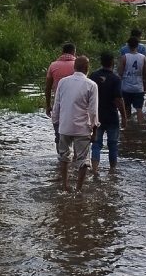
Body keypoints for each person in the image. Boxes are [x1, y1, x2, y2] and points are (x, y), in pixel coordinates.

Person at [51, 55, 98, 192]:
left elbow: (57, 105)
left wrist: (56, 123)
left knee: (64, 157)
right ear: (87, 68)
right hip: (82, 128)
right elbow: (93, 111)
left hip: (64, 126)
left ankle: (65, 185)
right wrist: (94, 130)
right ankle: (78, 190)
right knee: (83, 160)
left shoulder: (63, 82)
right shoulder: (91, 85)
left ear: (74, 67)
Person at [90, 51, 127, 174]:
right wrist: (124, 117)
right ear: (112, 63)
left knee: (96, 144)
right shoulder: (116, 79)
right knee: (113, 144)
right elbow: (118, 100)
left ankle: (94, 169)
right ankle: (112, 170)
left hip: (96, 116)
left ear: (101, 62)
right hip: (111, 116)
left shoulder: (93, 76)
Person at [45, 43, 78, 146]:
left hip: (59, 104)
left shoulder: (53, 65)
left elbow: (48, 88)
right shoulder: (78, 65)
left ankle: (61, 158)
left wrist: (48, 105)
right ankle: (75, 160)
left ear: (62, 52)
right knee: (76, 134)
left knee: (59, 134)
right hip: (76, 104)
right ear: (73, 52)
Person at [117, 37, 146, 122]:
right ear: (137, 46)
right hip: (139, 88)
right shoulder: (143, 58)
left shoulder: (124, 57)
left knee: (126, 108)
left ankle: (127, 127)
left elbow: (120, 73)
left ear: (128, 45)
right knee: (139, 109)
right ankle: (140, 127)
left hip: (126, 88)